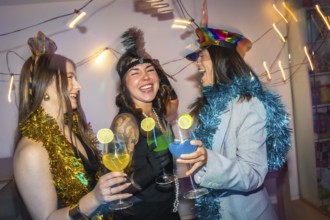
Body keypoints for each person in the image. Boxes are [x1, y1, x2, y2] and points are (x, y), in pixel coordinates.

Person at [13, 31, 132, 220]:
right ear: (44, 86)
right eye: (69, 77)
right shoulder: (32, 151)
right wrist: (94, 198)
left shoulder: (74, 128)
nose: (78, 86)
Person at [177, 26, 291, 220]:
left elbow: (253, 173)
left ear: (220, 58)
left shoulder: (248, 104)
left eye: (201, 56)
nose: (197, 63)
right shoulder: (207, 106)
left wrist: (208, 160)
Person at [110, 27, 181, 220]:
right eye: (135, 73)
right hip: (144, 214)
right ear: (124, 84)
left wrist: (158, 70)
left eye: (150, 71)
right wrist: (149, 171)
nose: (146, 77)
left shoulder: (158, 113)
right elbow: (114, 190)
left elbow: (174, 103)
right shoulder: (126, 122)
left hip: (170, 209)